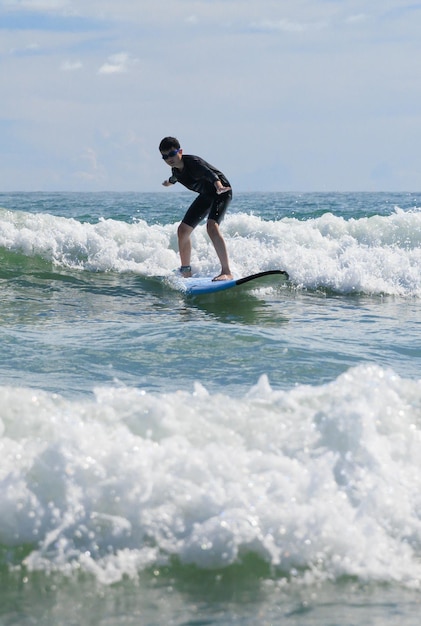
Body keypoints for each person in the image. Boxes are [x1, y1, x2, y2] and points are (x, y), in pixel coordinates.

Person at [159, 136, 233, 281]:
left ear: (180, 151)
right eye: (165, 156)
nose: (169, 158)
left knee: (212, 226)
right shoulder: (176, 171)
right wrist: (169, 182)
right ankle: (186, 271)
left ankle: (227, 271)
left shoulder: (193, 163)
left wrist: (218, 186)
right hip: (207, 195)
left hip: (222, 191)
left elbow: (209, 174)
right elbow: (175, 177)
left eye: (172, 154)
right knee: (182, 230)